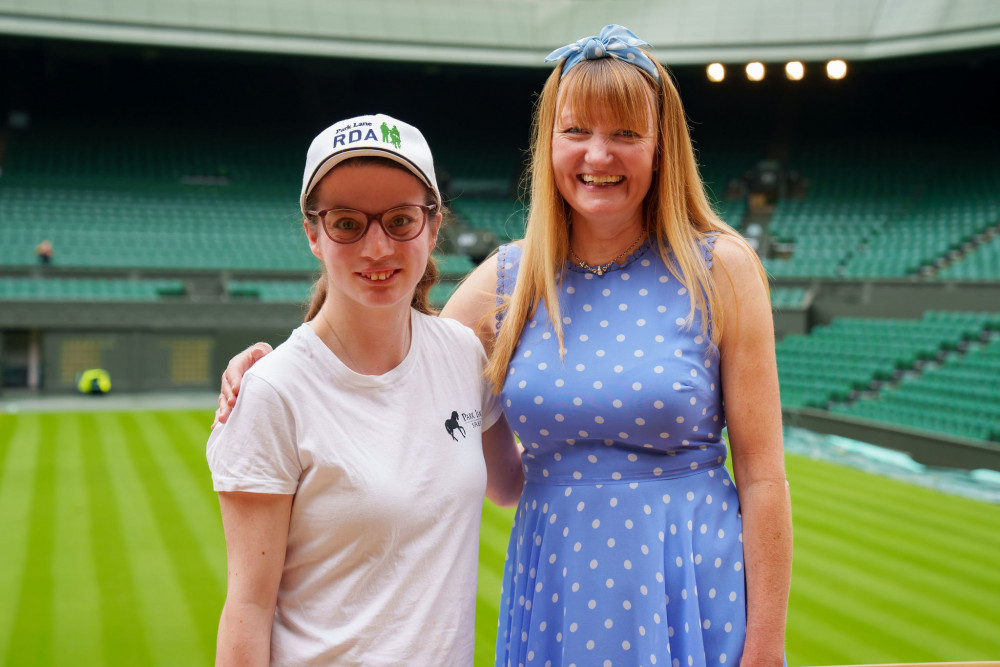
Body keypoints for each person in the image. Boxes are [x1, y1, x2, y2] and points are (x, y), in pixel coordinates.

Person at [216, 25, 792, 667]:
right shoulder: (512, 278)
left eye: (625, 134)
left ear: (662, 148)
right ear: (548, 144)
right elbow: (397, 336)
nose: (598, 155)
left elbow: (764, 476)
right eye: (576, 131)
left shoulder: (722, 268)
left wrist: (766, 642)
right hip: (555, 581)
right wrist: (280, 368)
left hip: (687, 578)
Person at [206, 113, 522, 666]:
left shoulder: (461, 354)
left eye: (400, 220)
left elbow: (511, 484)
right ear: (313, 233)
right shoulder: (272, 393)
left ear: (433, 224)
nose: (377, 248)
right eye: (347, 223)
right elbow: (248, 609)